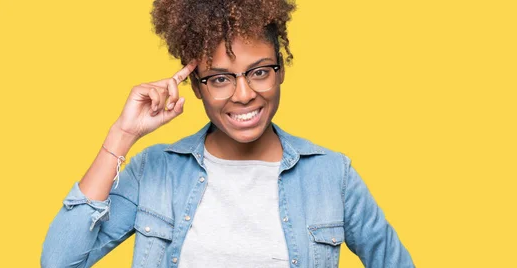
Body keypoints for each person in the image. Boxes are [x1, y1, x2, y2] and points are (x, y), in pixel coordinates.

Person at [41, 0, 414, 267]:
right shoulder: (154, 171)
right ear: (197, 87)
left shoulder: (333, 175)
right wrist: (122, 134)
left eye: (260, 71)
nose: (243, 94)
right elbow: (58, 262)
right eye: (220, 78)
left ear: (281, 70)